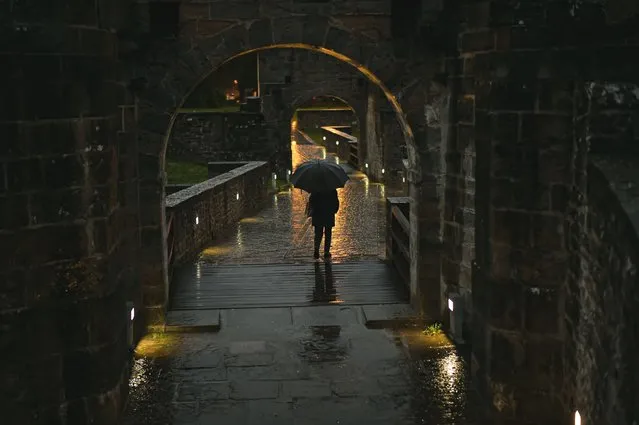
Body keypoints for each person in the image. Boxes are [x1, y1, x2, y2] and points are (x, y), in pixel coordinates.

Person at [308, 189, 339, 260]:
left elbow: (311, 201)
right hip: (328, 213)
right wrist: (334, 210)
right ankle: (326, 252)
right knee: (328, 233)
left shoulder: (315, 189)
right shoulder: (332, 190)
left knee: (318, 233)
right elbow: (336, 202)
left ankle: (316, 248)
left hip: (317, 213)